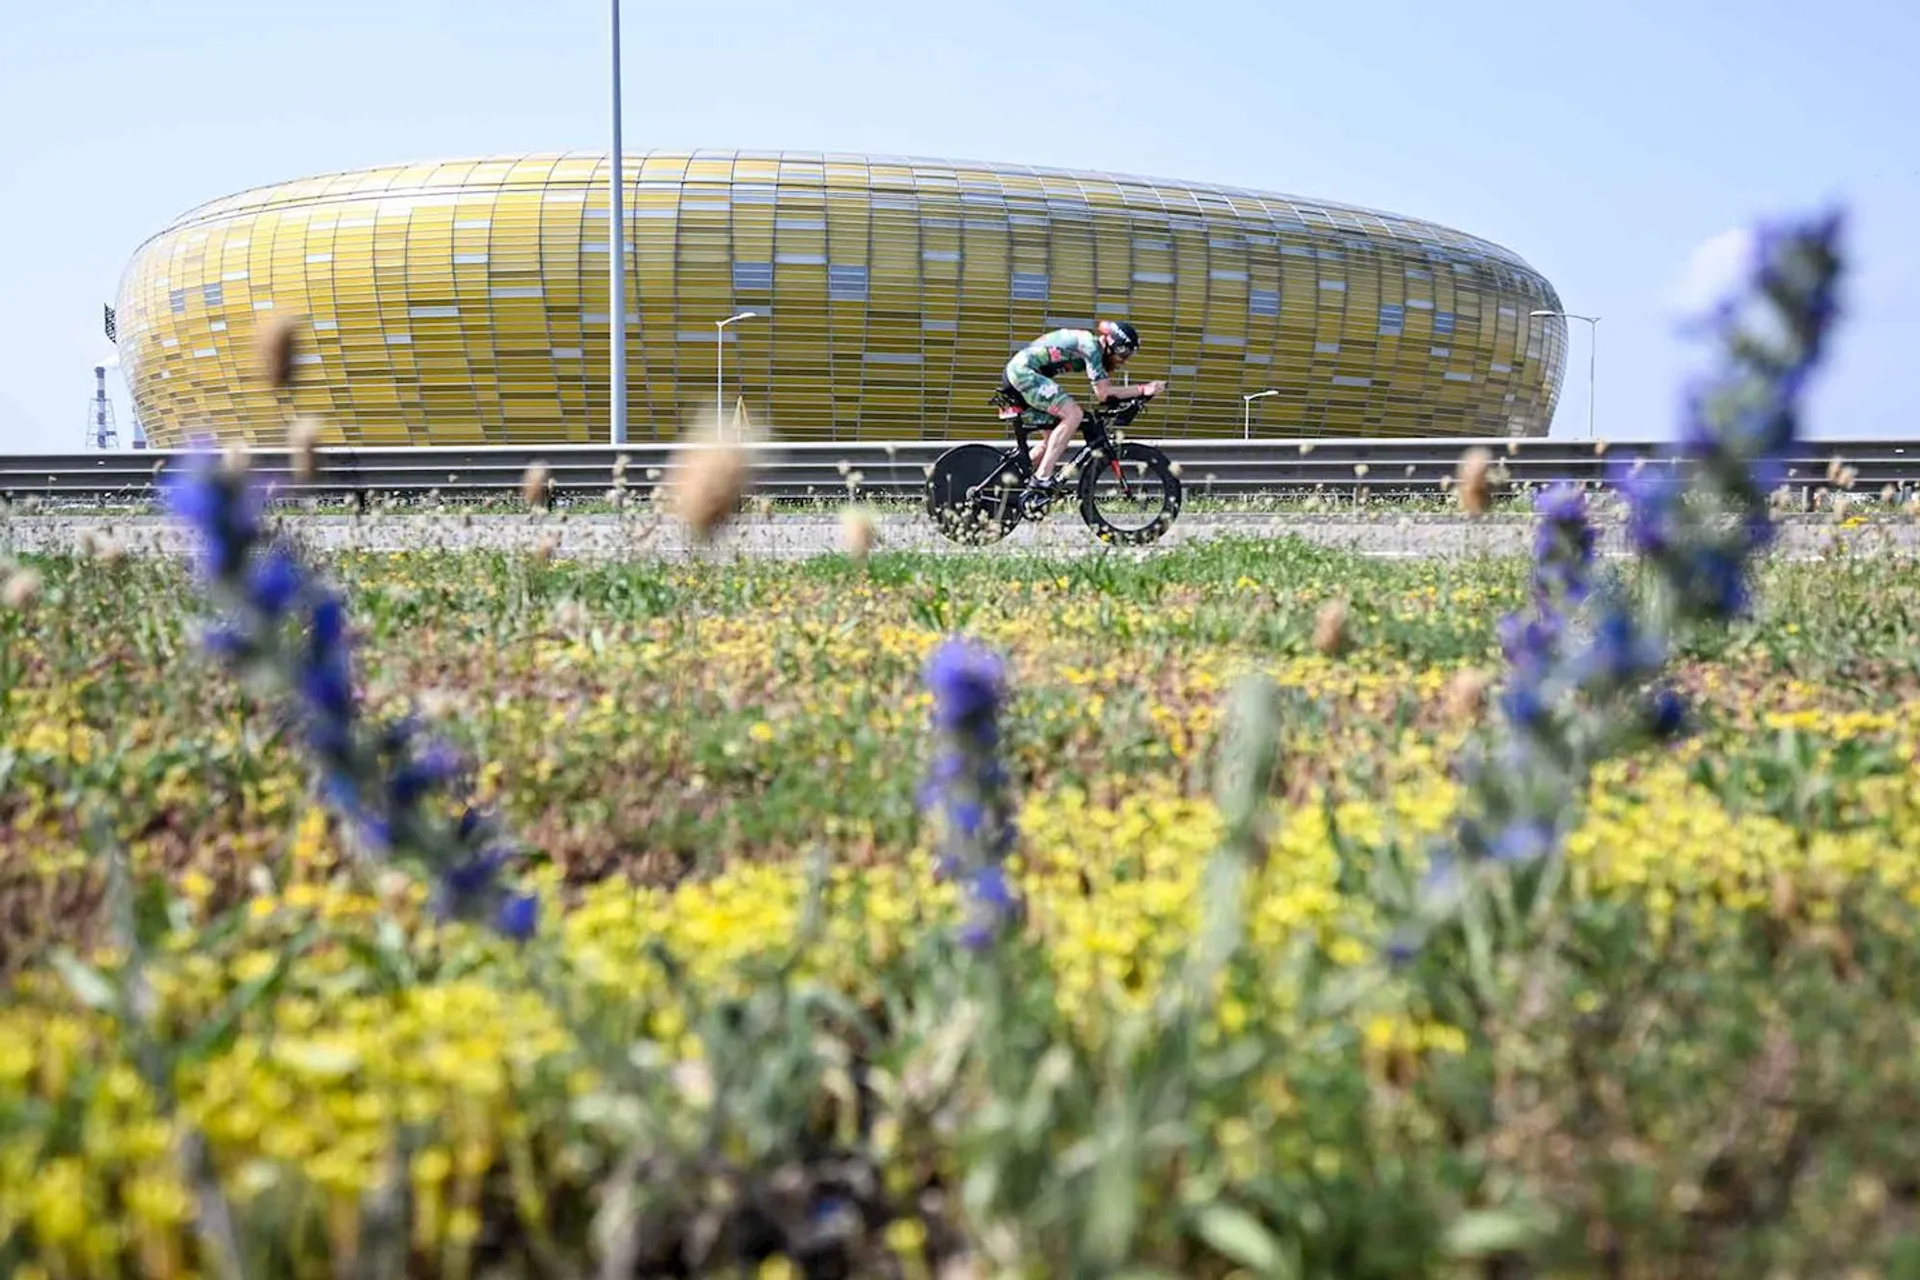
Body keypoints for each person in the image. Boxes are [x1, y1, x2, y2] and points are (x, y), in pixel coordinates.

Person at [1002, 320, 1163, 495]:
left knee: (1052, 441)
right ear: (1115, 347)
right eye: (1123, 356)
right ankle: (1041, 478)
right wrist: (1143, 389)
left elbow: (1105, 393)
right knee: (1074, 414)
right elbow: (1103, 393)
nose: (1122, 362)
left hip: (1020, 372)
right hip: (1024, 372)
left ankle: (1008, 482)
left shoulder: (1092, 346)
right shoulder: (1092, 348)